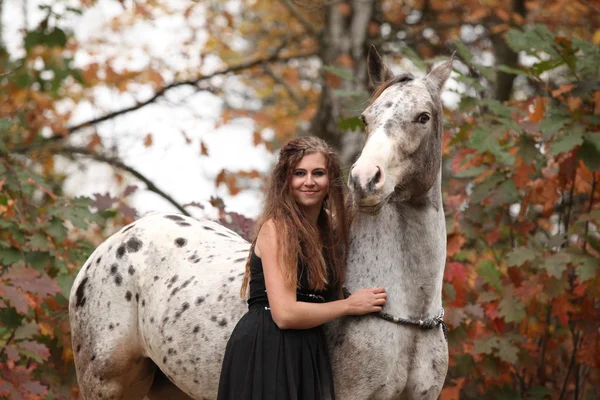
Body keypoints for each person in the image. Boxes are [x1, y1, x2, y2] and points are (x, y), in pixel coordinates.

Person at [217, 136, 387, 400]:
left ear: (330, 180)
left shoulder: (329, 228)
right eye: (300, 173)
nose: (309, 182)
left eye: (318, 173)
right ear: (286, 180)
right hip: (268, 346)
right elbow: (284, 315)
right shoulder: (277, 229)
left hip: (308, 346)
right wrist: (350, 305)